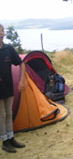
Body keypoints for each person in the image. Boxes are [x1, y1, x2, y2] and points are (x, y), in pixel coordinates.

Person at [0, 24, 26, 153]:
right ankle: (4, 142)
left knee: (9, 113)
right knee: (1, 115)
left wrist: (21, 80)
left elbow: (21, 63)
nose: (1, 33)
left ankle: (11, 138)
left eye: (2, 30)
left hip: (8, 86)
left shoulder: (8, 49)